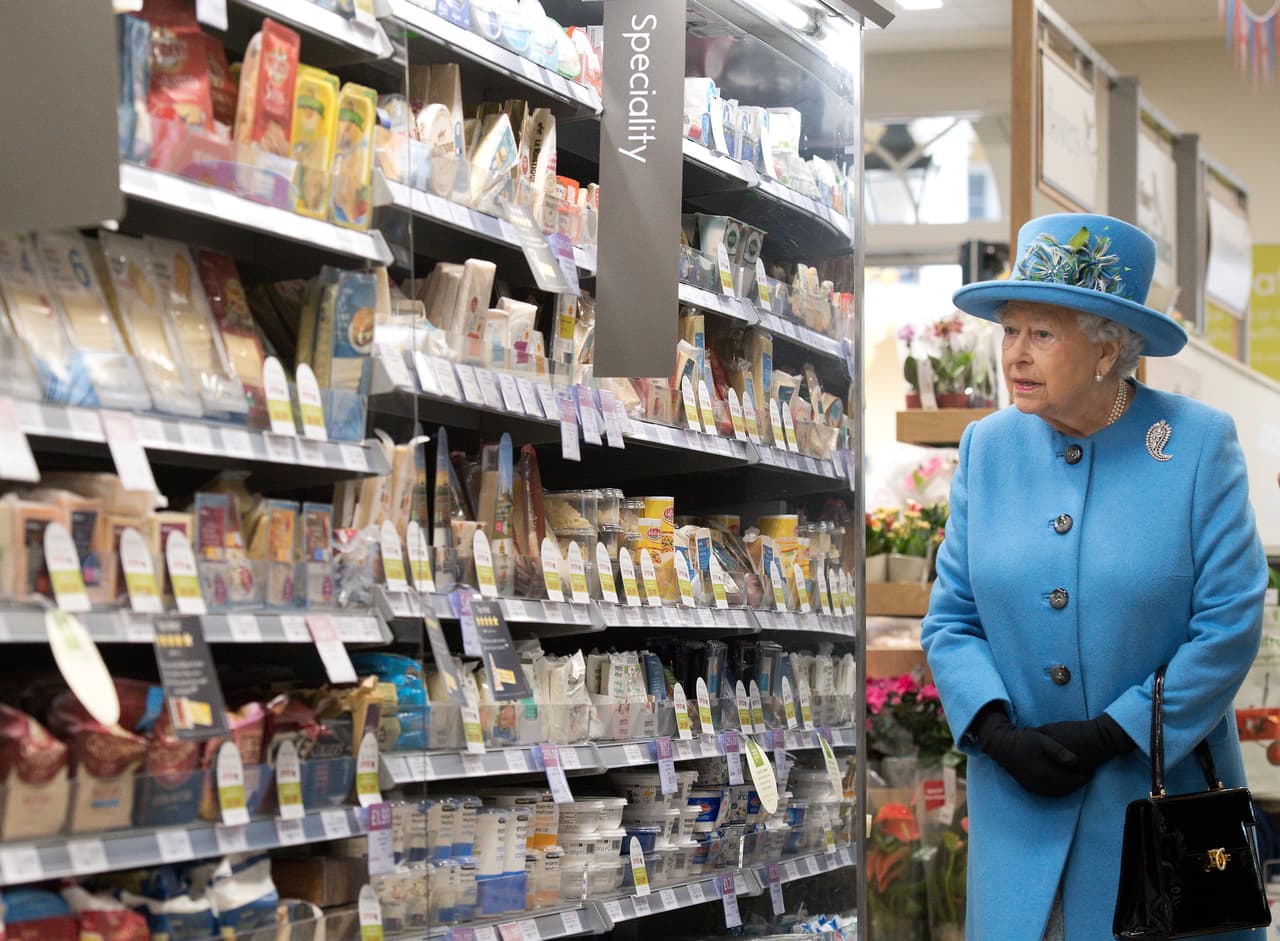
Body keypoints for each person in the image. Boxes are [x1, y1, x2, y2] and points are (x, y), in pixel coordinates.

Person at [921, 212, 1269, 941]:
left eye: (1042, 334)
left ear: (1110, 346)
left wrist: (1117, 731)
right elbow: (952, 619)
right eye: (1009, 330)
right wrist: (993, 727)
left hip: (1153, 813)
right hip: (1016, 812)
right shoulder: (987, 447)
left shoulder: (1198, 444)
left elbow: (1230, 623)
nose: (1015, 353)